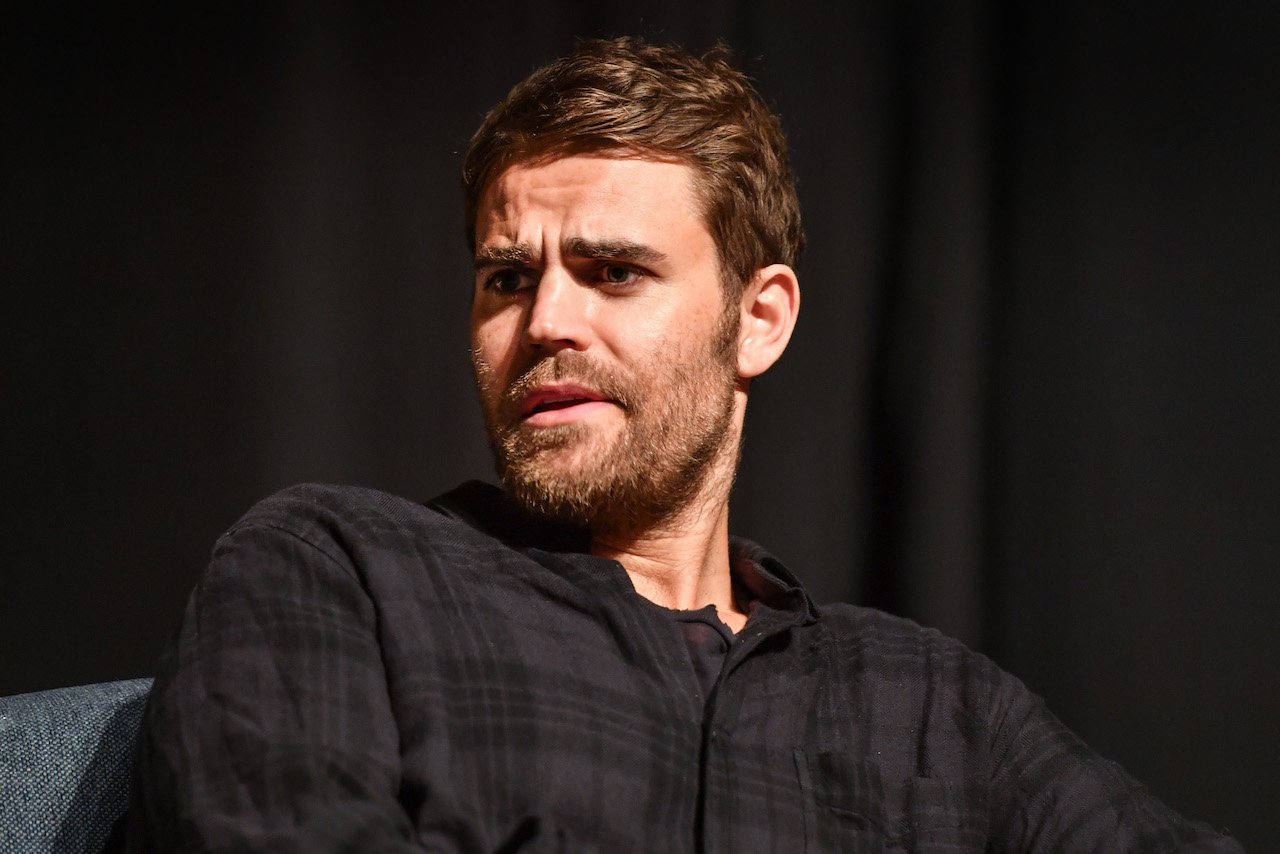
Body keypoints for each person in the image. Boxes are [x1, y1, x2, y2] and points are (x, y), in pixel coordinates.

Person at [125, 37, 1242, 852]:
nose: (546, 321)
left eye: (613, 271)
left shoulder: (932, 705)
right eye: (507, 279)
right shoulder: (338, 568)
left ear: (758, 317)